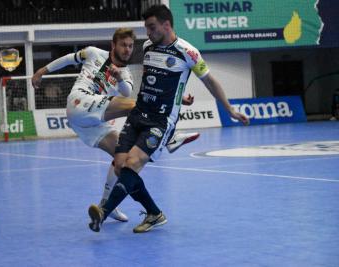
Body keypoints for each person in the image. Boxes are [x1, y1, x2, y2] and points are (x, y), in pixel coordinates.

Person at [87, 5, 250, 233]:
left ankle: (102, 214)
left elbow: (210, 81)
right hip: (137, 115)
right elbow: (156, 81)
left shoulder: (188, 52)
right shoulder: (147, 47)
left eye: (152, 27)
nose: (149, 33)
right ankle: (154, 213)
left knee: (133, 164)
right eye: (146, 28)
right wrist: (180, 97)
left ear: (166, 25)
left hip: (160, 121)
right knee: (119, 167)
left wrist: (229, 109)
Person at [32, 27, 199, 223]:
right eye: (123, 45)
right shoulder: (94, 53)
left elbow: (126, 91)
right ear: (113, 45)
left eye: (130, 46)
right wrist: (41, 71)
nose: (127, 49)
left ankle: (109, 205)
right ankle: (168, 136)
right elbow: (69, 58)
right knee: (137, 106)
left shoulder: (126, 73)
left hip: (91, 123)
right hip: (79, 102)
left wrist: (119, 77)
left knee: (125, 161)